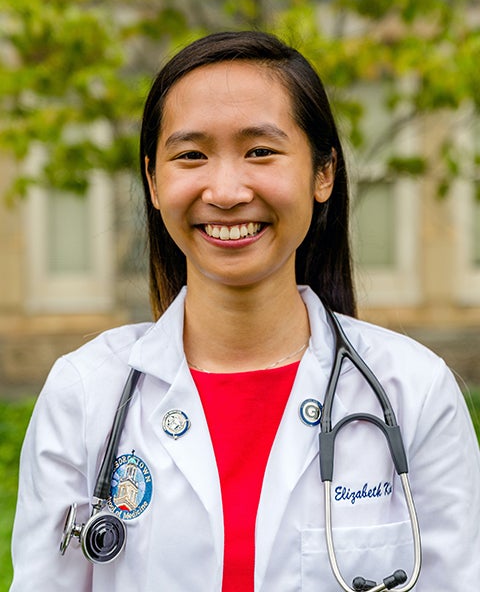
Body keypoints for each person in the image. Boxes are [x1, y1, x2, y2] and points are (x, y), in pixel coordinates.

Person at [10, 30, 480, 591]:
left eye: (260, 151)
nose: (227, 190)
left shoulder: (414, 392)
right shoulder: (85, 395)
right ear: (153, 182)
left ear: (322, 173)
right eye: (191, 155)